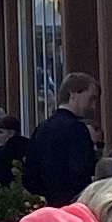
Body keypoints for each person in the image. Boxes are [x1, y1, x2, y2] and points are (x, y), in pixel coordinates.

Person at [20, 73, 100, 207]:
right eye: (91, 99)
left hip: (50, 205)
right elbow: (81, 173)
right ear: (73, 94)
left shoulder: (42, 128)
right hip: (72, 206)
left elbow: (29, 175)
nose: (92, 106)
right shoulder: (77, 129)